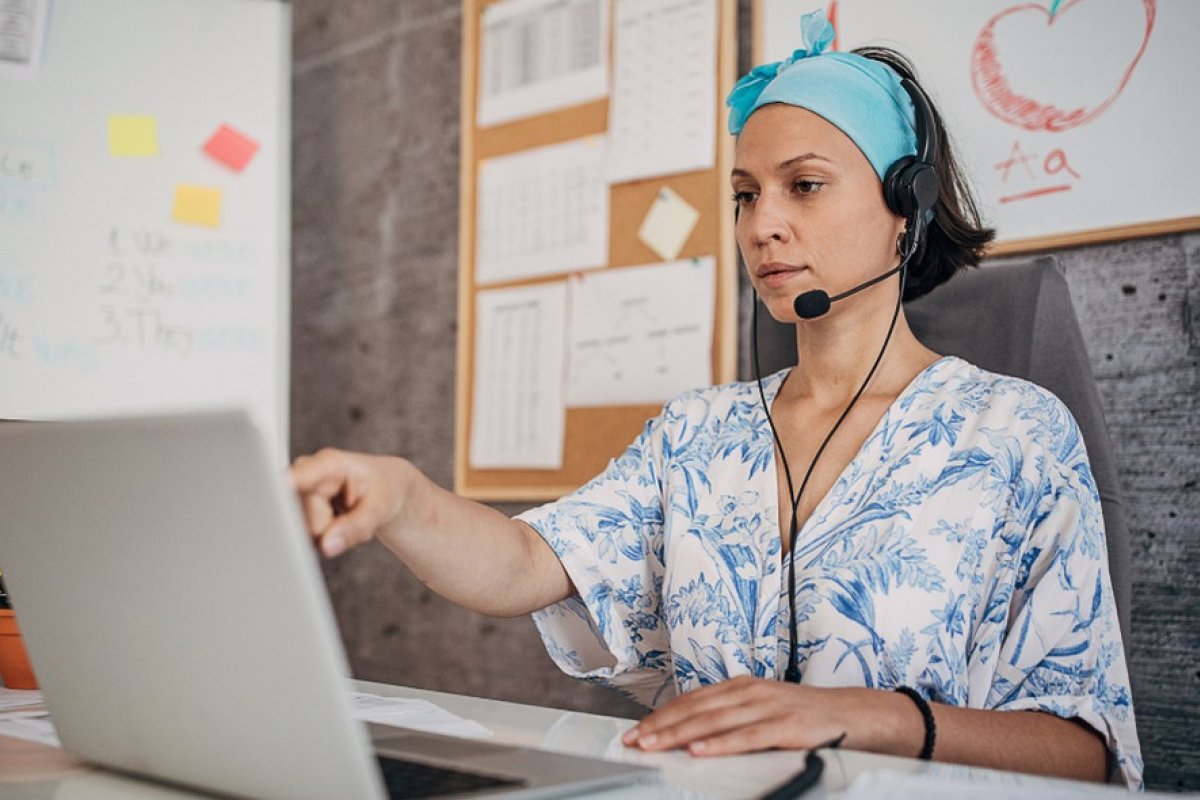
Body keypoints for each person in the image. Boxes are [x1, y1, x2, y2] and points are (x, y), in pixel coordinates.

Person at [289, 10, 1142, 788]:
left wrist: (865, 720)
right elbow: (523, 563)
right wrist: (401, 498)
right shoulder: (699, 433)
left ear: (905, 207)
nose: (762, 224)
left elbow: (1086, 749)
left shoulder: (1015, 433)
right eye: (745, 195)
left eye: (803, 186)